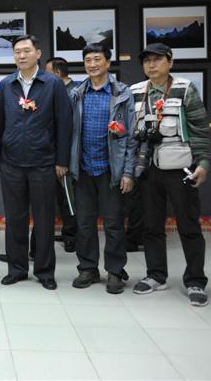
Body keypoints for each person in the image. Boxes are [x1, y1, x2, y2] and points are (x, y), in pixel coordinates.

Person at [130, 43, 211, 307]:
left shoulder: (185, 88)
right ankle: (156, 275)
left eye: (157, 59)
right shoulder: (135, 91)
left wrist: (203, 162)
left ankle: (195, 280)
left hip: (180, 167)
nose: (151, 65)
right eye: (147, 61)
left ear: (170, 62)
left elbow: (199, 127)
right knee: (151, 225)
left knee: (188, 225)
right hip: (147, 168)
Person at [0, 35, 71, 290]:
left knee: (44, 220)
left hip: (43, 162)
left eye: (26, 51)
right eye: (17, 51)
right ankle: (16, 269)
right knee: (14, 220)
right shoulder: (6, 84)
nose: (21, 55)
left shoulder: (53, 84)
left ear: (38, 53)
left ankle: (45, 271)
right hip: (11, 163)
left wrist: (62, 160)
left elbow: (64, 123)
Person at [68, 43, 136, 294]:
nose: (92, 64)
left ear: (108, 62)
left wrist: (128, 172)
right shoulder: (77, 93)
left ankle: (115, 271)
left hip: (111, 169)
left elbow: (131, 137)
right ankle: (88, 268)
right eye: (88, 60)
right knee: (84, 223)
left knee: (114, 224)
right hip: (83, 168)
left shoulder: (122, 94)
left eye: (97, 59)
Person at [44, 57, 78, 253]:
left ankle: (72, 237)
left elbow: (70, 128)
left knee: (69, 197)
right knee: (60, 197)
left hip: (67, 155)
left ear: (57, 73)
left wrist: (63, 159)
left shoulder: (72, 92)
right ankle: (67, 231)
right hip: (52, 155)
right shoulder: (56, 90)